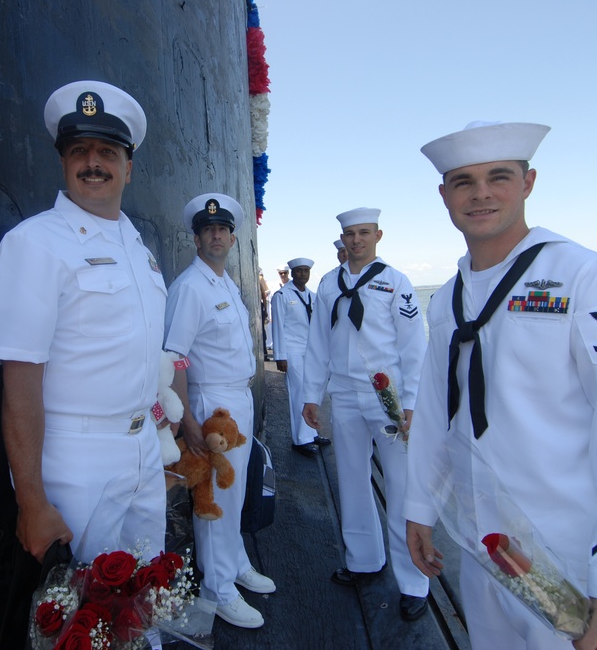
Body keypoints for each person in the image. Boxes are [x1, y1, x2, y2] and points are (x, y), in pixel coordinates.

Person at [404, 121, 597, 650]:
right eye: (463, 181)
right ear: (444, 195)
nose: (481, 193)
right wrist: (420, 506)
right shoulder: (447, 299)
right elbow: (439, 410)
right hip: (484, 546)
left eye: (499, 177)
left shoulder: (586, 278)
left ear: (529, 182)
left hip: (571, 554)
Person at [0, 81, 168, 566]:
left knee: (145, 592)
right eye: (79, 151)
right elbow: (19, 382)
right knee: (85, 614)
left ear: (128, 168)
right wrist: (32, 500)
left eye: (107, 152)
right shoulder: (35, 244)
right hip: (76, 458)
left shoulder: (138, 249)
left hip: (143, 450)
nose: (93, 163)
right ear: (63, 163)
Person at [302, 207, 431, 622]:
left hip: (387, 398)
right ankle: (364, 561)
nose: (356, 240)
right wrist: (310, 394)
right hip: (343, 394)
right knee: (352, 480)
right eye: (349, 234)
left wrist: (411, 401)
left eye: (363, 233)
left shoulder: (396, 284)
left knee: (401, 485)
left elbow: (413, 347)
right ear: (342, 239)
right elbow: (317, 345)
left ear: (378, 235)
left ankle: (414, 581)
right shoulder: (327, 284)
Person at [164, 193, 276, 629]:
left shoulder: (224, 283)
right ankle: (217, 589)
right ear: (196, 238)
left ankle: (234, 563)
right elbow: (174, 358)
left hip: (237, 399)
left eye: (222, 229)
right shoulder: (190, 288)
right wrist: (187, 421)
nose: (216, 235)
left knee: (234, 489)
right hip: (211, 402)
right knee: (213, 497)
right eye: (207, 229)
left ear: (232, 237)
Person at [270, 258, 330, 456]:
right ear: (292, 273)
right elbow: (278, 326)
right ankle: (300, 439)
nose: (303, 274)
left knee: (311, 392)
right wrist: (280, 355)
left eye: (306, 271)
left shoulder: (313, 296)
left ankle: (312, 434)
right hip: (292, 351)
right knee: (298, 394)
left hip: (310, 351)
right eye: (299, 271)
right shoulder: (282, 296)